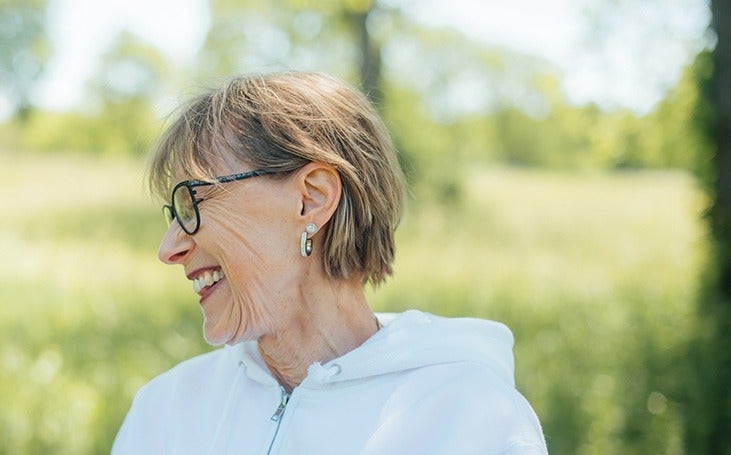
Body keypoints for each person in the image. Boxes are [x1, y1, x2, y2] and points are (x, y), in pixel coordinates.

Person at [112, 71, 548, 454]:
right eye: (174, 214)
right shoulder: (165, 410)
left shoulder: (471, 421)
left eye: (193, 202)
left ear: (312, 198)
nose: (168, 248)